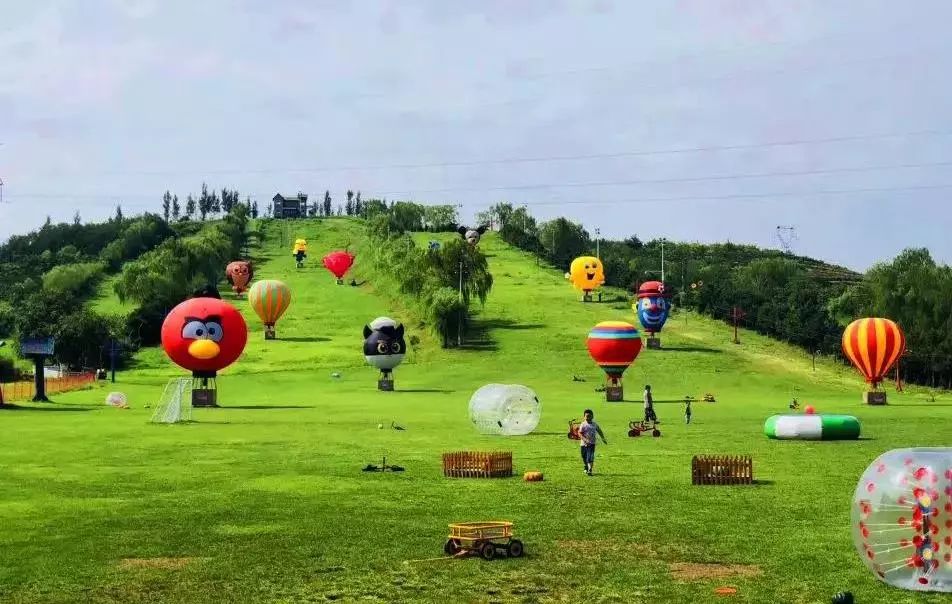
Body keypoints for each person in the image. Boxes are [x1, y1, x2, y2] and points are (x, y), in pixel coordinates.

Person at [578, 409, 607, 476]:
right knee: (584, 456)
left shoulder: (594, 424)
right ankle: (586, 466)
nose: (588, 418)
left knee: (590, 457)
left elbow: (599, 430)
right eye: (586, 416)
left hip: (591, 444)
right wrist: (584, 440)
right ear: (584, 417)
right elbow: (580, 433)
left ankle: (590, 470)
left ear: (592, 416)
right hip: (583, 444)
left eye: (589, 416)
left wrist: (603, 438)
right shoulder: (583, 424)